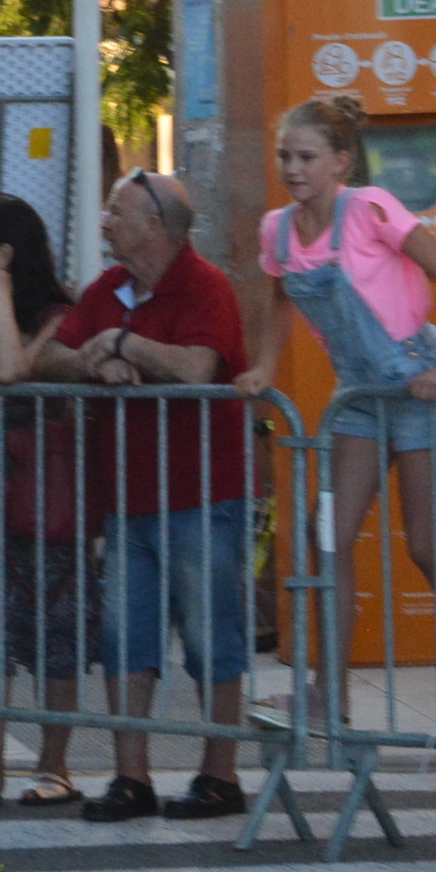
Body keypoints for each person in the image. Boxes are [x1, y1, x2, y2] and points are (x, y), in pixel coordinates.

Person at [232, 96, 436, 774]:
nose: (292, 168)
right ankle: (328, 694)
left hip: (413, 381)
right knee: (330, 539)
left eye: (307, 157)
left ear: (340, 163)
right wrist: (265, 362)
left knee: (428, 547)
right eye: (285, 156)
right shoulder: (279, 231)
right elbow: (280, 293)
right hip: (358, 394)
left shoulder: (370, 208)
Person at [19, 171, 255, 824]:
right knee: (127, 637)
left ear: (155, 226)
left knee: (212, 637)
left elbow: (197, 367)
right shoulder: (107, 288)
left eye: (115, 211)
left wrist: (127, 345)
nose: (104, 221)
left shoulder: (206, 286)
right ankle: (131, 776)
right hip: (128, 496)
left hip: (202, 492)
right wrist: (96, 360)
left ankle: (221, 773)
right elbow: (48, 359)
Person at [0, 194, 95, 810]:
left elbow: (8, 369)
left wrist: (1, 298)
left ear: (4, 254)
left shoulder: (58, 315)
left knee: (55, 629)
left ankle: (55, 765)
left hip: (45, 498)